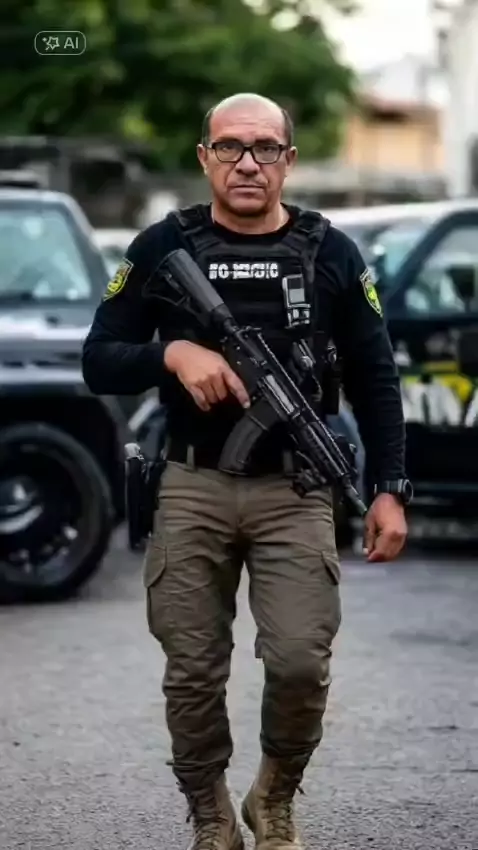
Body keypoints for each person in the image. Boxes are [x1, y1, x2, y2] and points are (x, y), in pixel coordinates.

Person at [82, 93, 410, 850]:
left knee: (299, 662)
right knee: (192, 670)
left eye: (265, 148)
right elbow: (99, 359)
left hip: (296, 489)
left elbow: (376, 376)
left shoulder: (332, 253)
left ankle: (274, 797)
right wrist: (173, 353)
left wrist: (390, 489)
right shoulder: (163, 246)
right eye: (230, 147)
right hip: (191, 484)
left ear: (289, 161)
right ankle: (209, 814)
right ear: (205, 158)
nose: (248, 164)